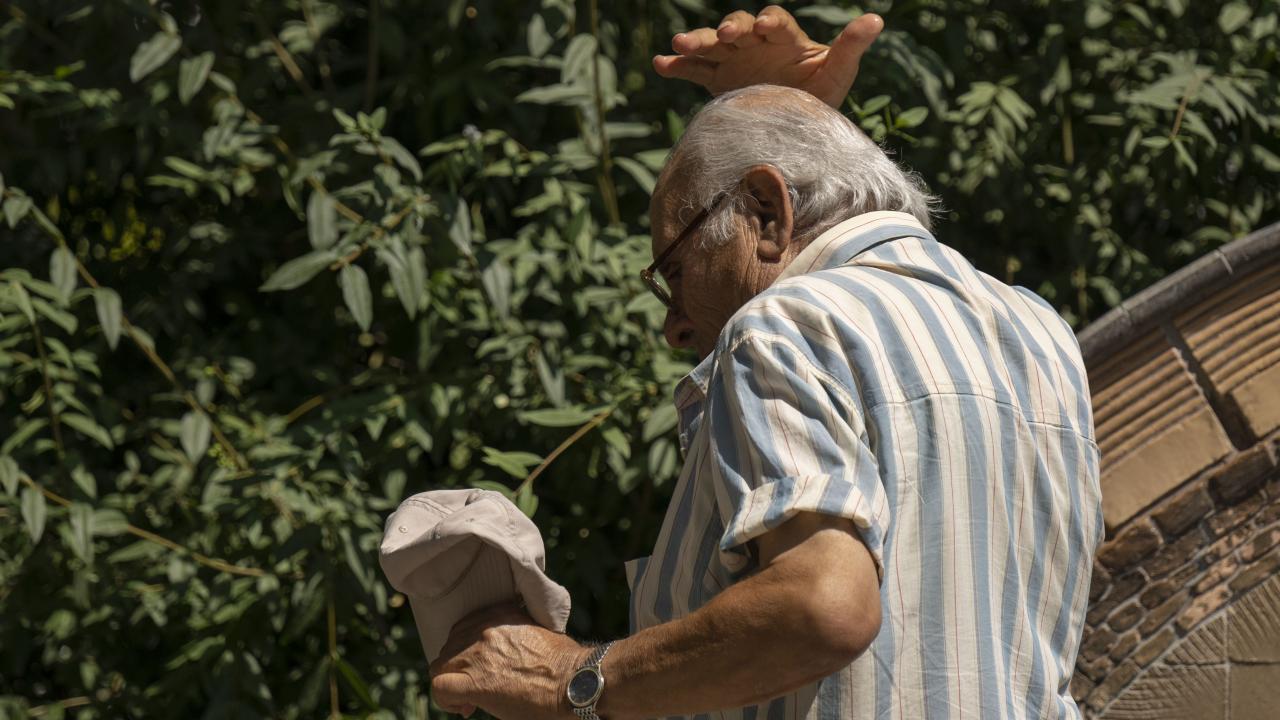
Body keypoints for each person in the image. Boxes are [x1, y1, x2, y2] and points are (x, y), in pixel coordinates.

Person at [428, 7, 1102, 720]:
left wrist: (572, 679)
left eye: (674, 270)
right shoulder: (1037, 330)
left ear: (766, 209)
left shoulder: (786, 322)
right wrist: (786, 115)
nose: (675, 327)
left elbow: (821, 608)